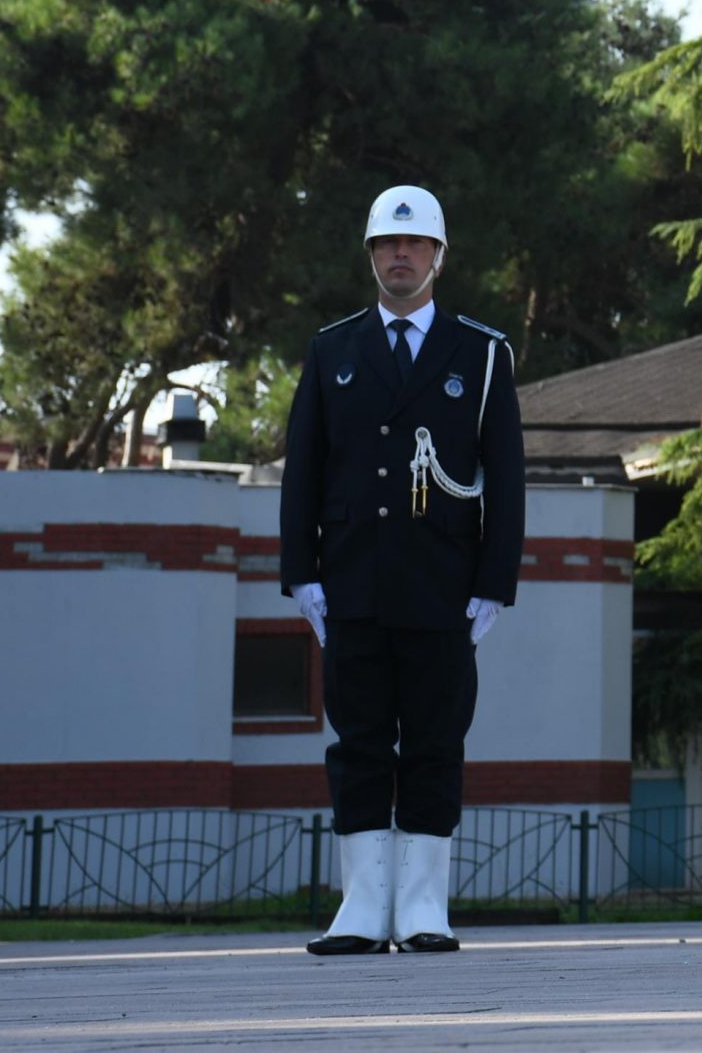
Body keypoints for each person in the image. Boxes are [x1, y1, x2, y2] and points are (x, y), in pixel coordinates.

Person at [279, 185, 524, 956]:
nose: (400, 255)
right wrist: (301, 572)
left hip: (442, 588)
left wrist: (495, 582)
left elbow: (507, 478)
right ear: (370, 254)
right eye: (386, 243)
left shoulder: (481, 354)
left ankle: (422, 907)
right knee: (357, 743)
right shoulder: (333, 350)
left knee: (432, 741)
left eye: (414, 245)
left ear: (440, 257)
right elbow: (304, 472)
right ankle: (360, 905)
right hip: (351, 582)